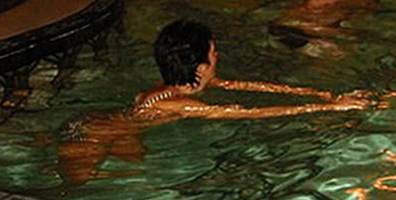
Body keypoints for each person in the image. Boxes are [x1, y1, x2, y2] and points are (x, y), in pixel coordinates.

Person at [57, 19, 374, 185]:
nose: (217, 55)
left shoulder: (186, 84)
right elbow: (249, 113)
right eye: (212, 52)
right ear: (200, 67)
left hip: (122, 128)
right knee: (80, 185)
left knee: (136, 170)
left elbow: (254, 88)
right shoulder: (177, 103)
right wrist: (329, 109)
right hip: (91, 135)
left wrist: (319, 94)